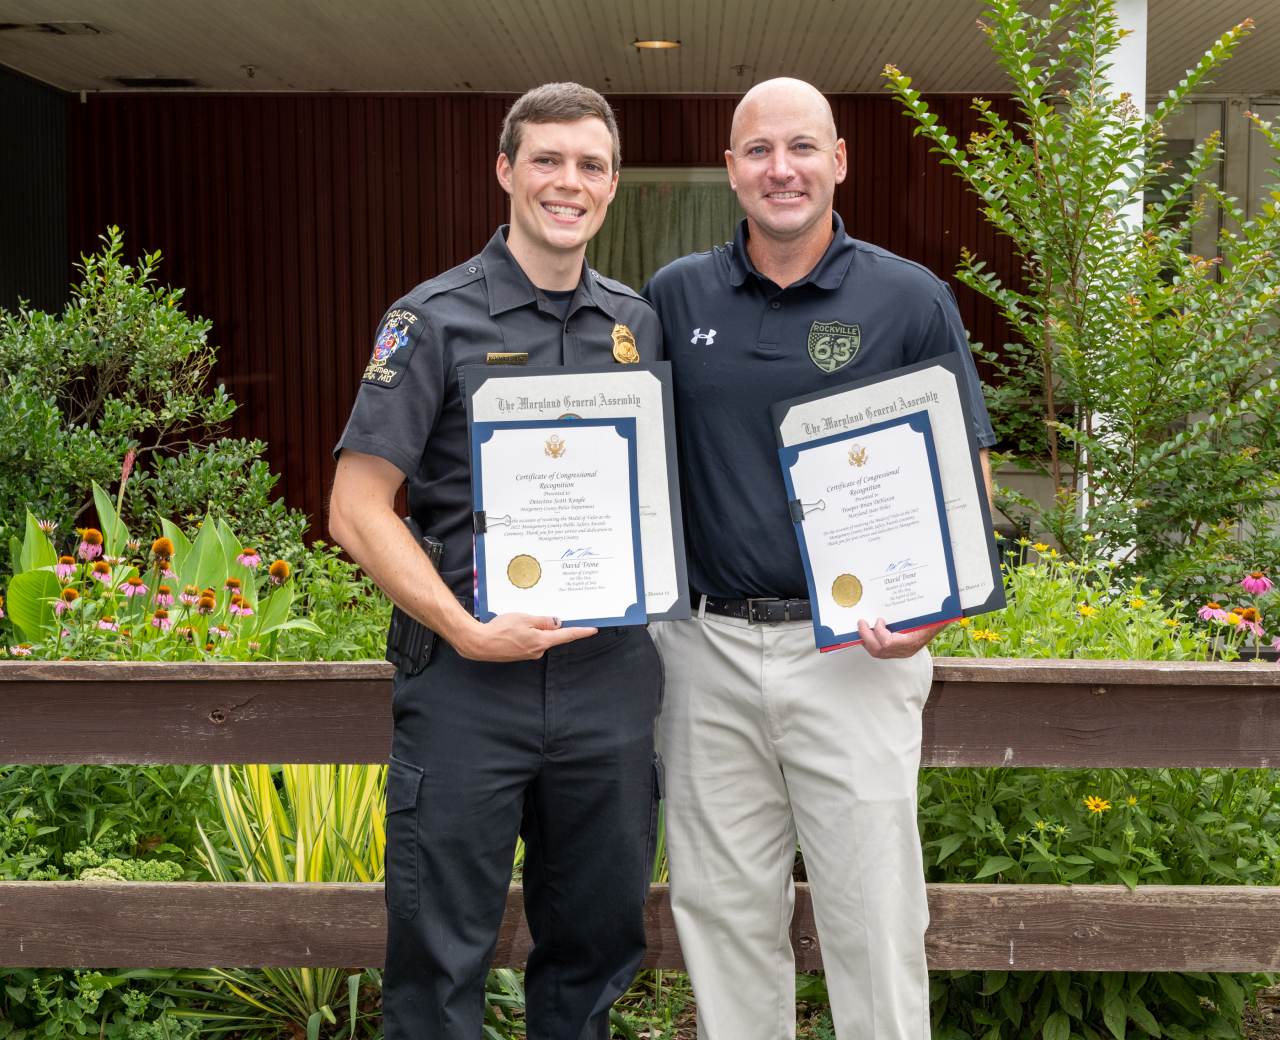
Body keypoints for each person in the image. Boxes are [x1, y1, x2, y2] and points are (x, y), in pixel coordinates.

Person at [640, 78, 996, 1040]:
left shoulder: (908, 298)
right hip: (704, 653)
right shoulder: (676, 295)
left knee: (875, 916)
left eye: (803, 147)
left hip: (858, 655)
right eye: (758, 150)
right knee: (720, 912)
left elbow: (967, 478)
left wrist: (938, 606)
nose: (781, 168)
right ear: (730, 170)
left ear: (840, 160)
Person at [328, 82, 664, 1040]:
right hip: (469, 687)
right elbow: (356, 509)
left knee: (594, 957)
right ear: (506, 170)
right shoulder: (432, 320)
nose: (570, 182)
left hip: (607, 684)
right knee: (437, 963)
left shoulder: (637, 327)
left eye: (591, 165)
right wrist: (466, 630)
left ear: (612, 185)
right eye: (548, 160)